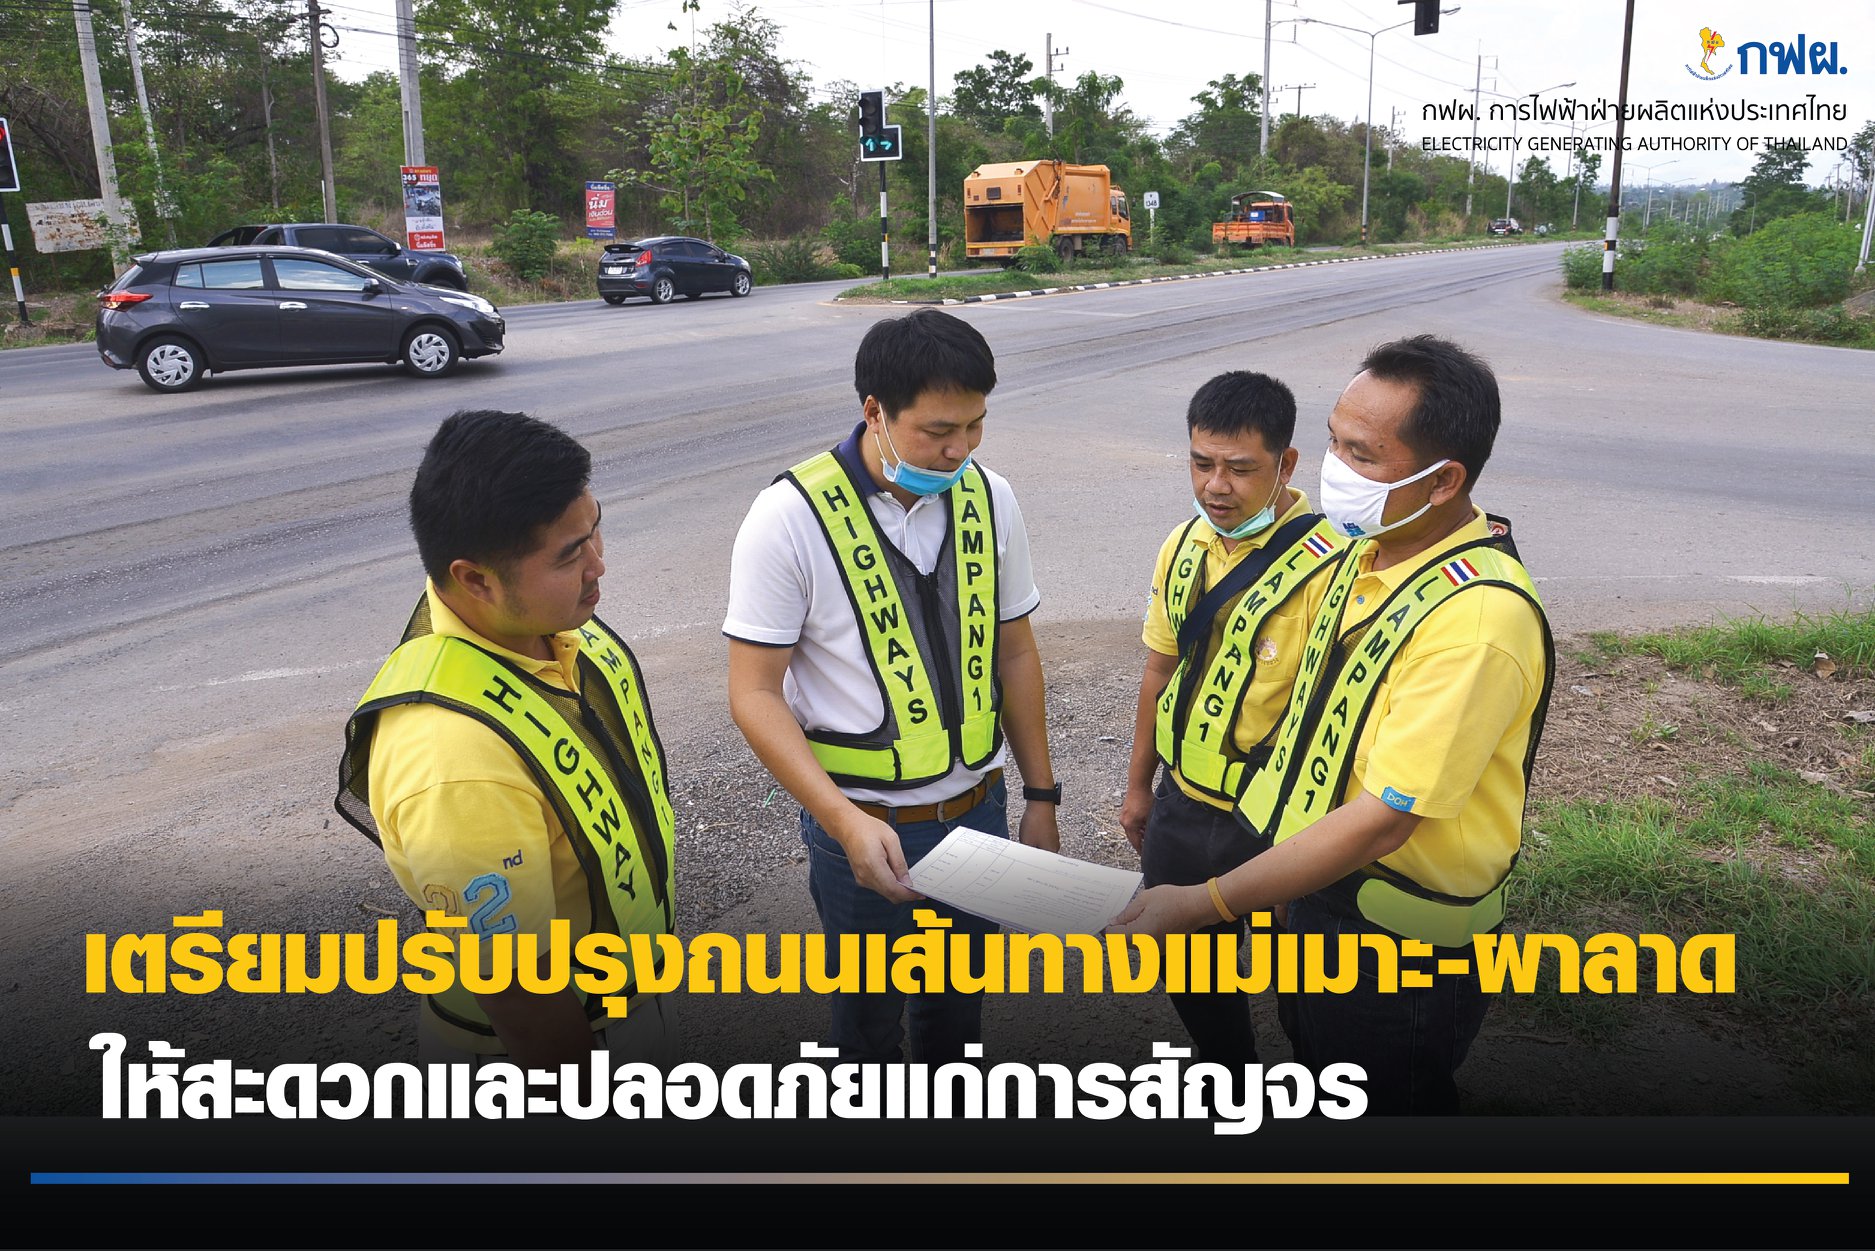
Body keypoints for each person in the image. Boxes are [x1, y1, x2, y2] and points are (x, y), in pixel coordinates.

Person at [1114, 335, 1553, 1114]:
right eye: (1333, 442)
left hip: (1398, 949)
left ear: (1443, 480)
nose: (1334, 470)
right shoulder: (1366, 556)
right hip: (1322, 896)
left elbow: (1384, 817)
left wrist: (1208, 900)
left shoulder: (1475, 622)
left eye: (1361, 454)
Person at [724, 307, 1058, 1063]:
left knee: (957, 1016)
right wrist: (840, 821)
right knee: (865, 1027)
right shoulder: (789, 516)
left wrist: (1040, 796)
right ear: (874, 411)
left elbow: (1014, 651)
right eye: (938, 430)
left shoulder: (989, 497)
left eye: (975, 425)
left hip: (978, 814)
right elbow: (753, 692)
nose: (959, 449)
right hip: (864, 827)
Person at [336, 409, 677, 1071]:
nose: (599, 564)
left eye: (595, 529)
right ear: (475, 579)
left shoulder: (545, 628)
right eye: (570, 554)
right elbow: (522, 998)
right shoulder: (452, 759)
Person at [1119, 371, 1346, 1066]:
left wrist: (1303, 848)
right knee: (1188, 966)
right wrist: (1138, 788)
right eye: (1201, 464)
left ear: (1286, 464)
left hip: (1275, 821)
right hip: (1183, 805)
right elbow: (1159, 670)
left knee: (1303, 987)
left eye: (1239, 469)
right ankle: (1231, 1074)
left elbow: (1332, 724)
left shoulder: (1335, 565)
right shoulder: (1182, 544)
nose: (1215, 486)